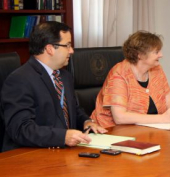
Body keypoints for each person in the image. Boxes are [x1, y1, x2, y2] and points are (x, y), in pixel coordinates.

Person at [1, 21, 107, 152]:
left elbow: (73, 110)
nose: (72, 51)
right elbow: (20, 129)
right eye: (67, 45)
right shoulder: (20, 79)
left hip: (63, 152)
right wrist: (62, 137)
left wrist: (87, 122)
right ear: (50, 49)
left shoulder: (65, 76)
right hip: (30, 155)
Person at [91, 31, 170, 128]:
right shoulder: (119, 74)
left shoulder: (157, 69)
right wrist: (163, 118)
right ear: (140, 55)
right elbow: (119, 117)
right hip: (110, 131)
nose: (161, 55)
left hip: (144, 130)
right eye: (156, 52)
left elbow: (168, 99)